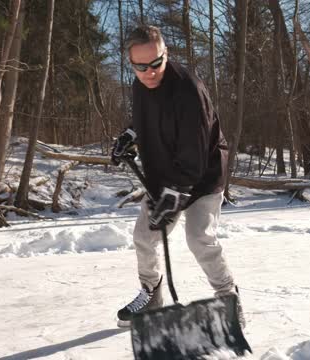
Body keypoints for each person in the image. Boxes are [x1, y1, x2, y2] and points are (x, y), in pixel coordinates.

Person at [111, 25, 244, 328]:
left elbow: (193, 155)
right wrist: (130, 136)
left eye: (156, 63)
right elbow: (147, 119)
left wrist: (175, 195)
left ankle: (228, 300)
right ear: (131, 64)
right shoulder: (140, 85)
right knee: (144, 238)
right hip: (164, 176)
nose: (150, 72)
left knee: (199, 238)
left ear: (166, 54)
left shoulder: (189, 91)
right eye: (141, 66)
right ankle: (151, 296)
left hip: (203, 176)